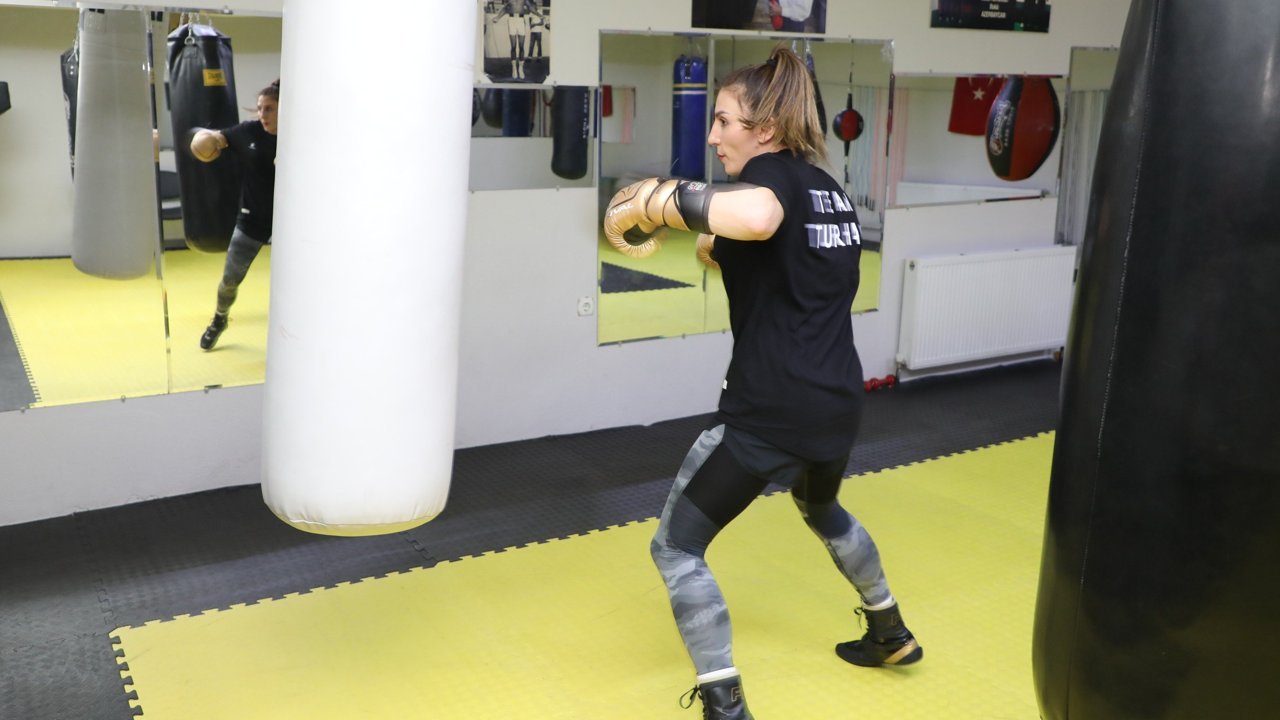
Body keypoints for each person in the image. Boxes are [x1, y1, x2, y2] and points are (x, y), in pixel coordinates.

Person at [602, 47, 921, 719]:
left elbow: (757, 220)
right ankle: (890, 630)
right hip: (836, 404)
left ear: (766, 129)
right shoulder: (826, 189)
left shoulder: (768, 180)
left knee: (676, 547)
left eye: (724, 121)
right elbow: (779, 255)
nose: (713, 136)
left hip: (769, 412)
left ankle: (725, 705)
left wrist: (656, 199)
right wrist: (711, 243)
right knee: (823, 509)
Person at [189, 79, 279, 350]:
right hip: (253, 217)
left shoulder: (301, 136)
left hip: (291, 222)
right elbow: (218, 137)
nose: (262, 114)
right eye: (260, 108)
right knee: (229, 280)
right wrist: (204, 140)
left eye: (269, 109)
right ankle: (219, 319)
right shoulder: (249, 132)